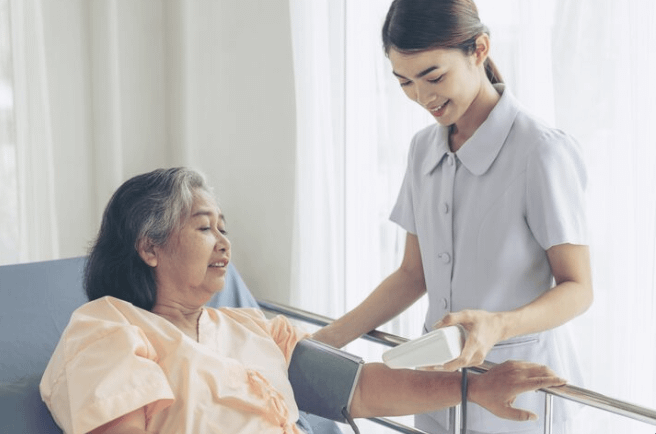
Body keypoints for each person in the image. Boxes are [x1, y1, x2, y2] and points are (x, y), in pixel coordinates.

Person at [40, 167, 566, 434]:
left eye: (224, 228)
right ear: (149, 247)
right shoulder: (108, 327)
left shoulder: (254, 327)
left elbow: (361, 389)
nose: (224, 242)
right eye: (203, 227)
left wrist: (474, 389)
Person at [311, 1, 593, 433]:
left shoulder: (541, 151)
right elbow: (413, 274)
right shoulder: (422, 149)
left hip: (517, 395)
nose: (423, 97)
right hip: (436, 388)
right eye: (405, 82)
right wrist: (322, 343)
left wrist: (498, 325)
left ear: (479, 49)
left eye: (434, 77)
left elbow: (579, 288)